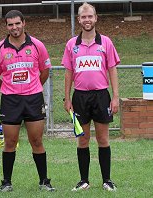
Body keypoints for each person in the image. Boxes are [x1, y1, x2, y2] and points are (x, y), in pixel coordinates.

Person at [0, 10, 55, 192]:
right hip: (10, 101)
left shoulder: (37, 45)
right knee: (10, 142)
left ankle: (44, 181)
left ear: (24, 23)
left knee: (36, 141)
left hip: (33, 99)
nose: (14, 27)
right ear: (6, 26)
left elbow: (44, 72)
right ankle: (7, 182)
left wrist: (32, 87)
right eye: (10, 24)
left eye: (17, 23)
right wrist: (9, 89)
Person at [62, 2, 120, 192]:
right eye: (83, 17)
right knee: (83, 140)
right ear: (79, 20)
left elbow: (112, 70)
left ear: (96, 18)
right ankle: (84, 180)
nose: (87, 20)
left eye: (90, 16)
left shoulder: (106, 42)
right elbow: (68, 73)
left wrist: (115, 97)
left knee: (103, 139)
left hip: (101, 96)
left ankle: (107, 180)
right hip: (80, 97)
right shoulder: (72, 45)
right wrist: (67, 98)